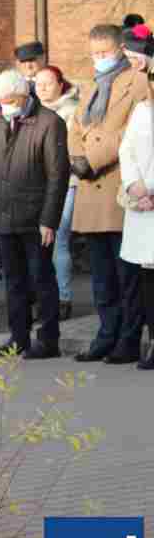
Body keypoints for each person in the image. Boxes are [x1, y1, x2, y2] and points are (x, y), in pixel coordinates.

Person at [69, 24, 150, 364]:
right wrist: (77, 157)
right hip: (90, 187)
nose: (98, 59)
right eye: (94, 54)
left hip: (117, 180)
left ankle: (128, 339)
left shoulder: (138, 82)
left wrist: (93, 158)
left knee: (126, 274)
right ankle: (106, 334)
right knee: (101, 276)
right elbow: (76, 125)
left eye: (104, 53)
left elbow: (133, 131)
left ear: (120, 50)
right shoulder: (92, 85)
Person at [0, 69, 70, 359]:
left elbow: (57, 176)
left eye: (9, 101)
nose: (5, 106)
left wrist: (49, 220)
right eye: (1, 101)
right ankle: (18, 337)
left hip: (35, 217)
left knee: (41, 278)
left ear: (23, 96)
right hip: (5, 214)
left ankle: (48, 339)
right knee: (14, 280)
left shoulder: (49, 123)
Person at [34, 66, 81, 319]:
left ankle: (63, 297)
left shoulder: (72, 111)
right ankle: (42, 295)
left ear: (61, 85)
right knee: (37, 242)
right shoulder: (31, 111)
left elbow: (73, 150)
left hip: (65, 183)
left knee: (57, 238)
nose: (42, 88)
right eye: (38, 83)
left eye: (48, 83)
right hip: (35, 185)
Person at [118, 64, 154, 369]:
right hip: (143, 205)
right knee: (148, 276)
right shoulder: (142, 111)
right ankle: (153, 340)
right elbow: (126, 150)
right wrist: (134, 185)